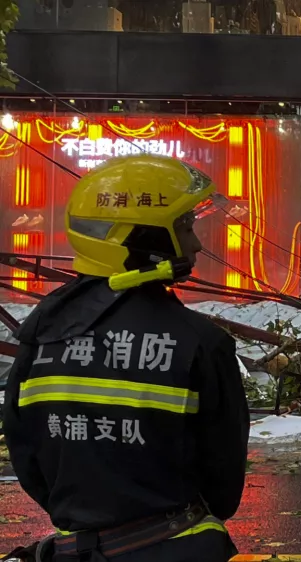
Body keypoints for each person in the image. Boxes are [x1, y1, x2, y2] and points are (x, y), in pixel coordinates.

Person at [3, 154, 250, 562]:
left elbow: (27, 455)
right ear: (144, 237)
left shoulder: (40, 334)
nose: (197, 244)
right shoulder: (201, 343)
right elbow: (223, 486)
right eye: (185, 227)